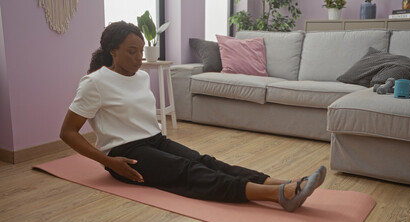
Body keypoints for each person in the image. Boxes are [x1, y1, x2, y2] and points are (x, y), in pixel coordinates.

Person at [60, 21, 326, 212]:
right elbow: (68, 132)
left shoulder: (141, 76)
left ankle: (285, 182)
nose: (139, 58)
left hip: (154, 140)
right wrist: (110, 162)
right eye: (132, 52)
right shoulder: (94, 82)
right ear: (112, 51)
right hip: (126, 154)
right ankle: (278, 195)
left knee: (205, 160)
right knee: (190, 172)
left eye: (141, 51)